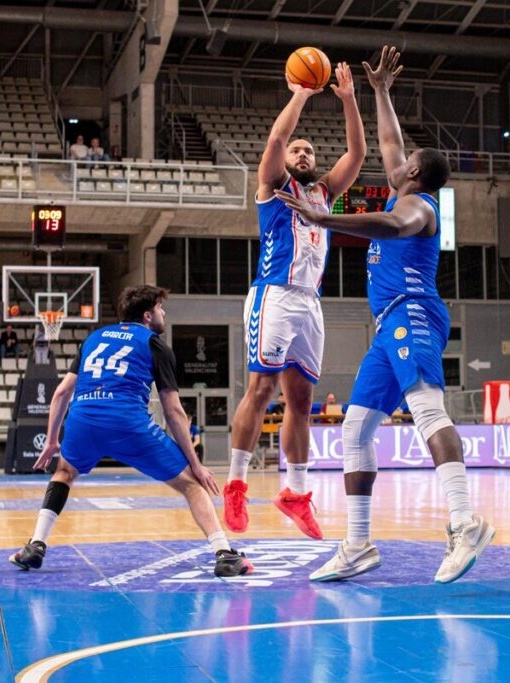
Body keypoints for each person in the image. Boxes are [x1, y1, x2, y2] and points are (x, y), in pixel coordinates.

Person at [277, 46, 491, 584]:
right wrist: (379, 92)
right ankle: (357, 545)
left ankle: (465, 522)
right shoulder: (408, 187)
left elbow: (392, 228)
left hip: (413, 313)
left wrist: (327, 220)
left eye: (405, 161)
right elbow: (391, 142)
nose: (395, 161)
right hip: (388, 324)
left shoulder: (417, 208)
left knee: (426, 410)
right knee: (354, 429)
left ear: (414, 173)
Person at [9, 285, 252, 578]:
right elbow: (173, 411)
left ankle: (36, 545)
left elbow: (61, 394)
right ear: (148, 315)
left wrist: (51, 441)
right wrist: (196, 464)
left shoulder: (93, 339)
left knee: (63, 473)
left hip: (83, 418)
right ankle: (224, 553)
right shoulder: (154, 344)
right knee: (191, 484)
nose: (164, 314)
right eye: (161, 309)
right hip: (127, 421)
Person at [222, 57, 365, 541]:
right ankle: (237, 485)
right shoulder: (273, 187)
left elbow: (358, 153)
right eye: (298, 150)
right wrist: (302, 92)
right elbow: (277, 142)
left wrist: (347, 100)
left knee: (301, 401)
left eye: (309, 150)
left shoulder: (323, 193)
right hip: (274, 296)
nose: (303, 153)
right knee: (260, 391)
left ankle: (295, 493)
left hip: (310, 302)